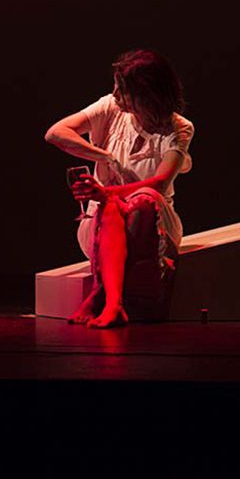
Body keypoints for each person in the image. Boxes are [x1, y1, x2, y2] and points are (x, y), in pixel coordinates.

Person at [43, 49, 194, 328]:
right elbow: (55, 133)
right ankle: (113, 302)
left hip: (152, 225)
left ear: (146, 94)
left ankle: (103, 294)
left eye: (122, 90)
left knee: (144, 198)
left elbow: (159, 183)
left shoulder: (179, 128)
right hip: (103, 224)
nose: (114, 95)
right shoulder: (109, 108)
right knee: (110, 206)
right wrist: (105, 157)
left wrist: (108, 192)